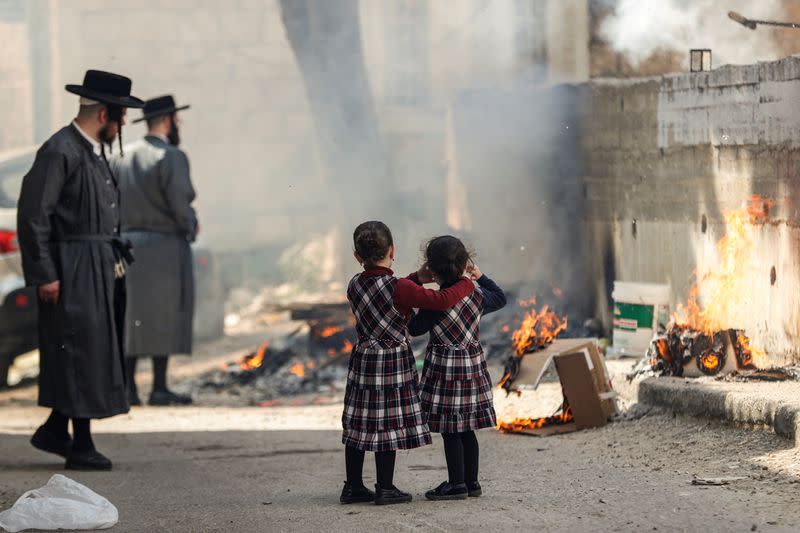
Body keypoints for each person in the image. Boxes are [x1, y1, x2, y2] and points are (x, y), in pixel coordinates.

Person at [17, 69, 144, 470]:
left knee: (91, 349)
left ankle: (57, 429)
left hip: (96, 266)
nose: (124, 123)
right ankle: (80, 444)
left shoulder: (90, 151)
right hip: (70, 268)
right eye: (121, 115)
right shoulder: (60, 151)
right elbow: (34, 216)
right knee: (78, 350)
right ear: (105, 113)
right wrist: (45, 273)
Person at [341, 221, 476, 506]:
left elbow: (382, 289)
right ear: (392, 249)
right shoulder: (400, 287)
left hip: (364, 360)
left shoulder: (354, 284)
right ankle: (385, 487)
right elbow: (440, 300)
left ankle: (353, 486)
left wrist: (416, 277)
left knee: (360, 423)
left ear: (357, 256)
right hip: (391, 364)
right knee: (385, 424)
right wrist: (465, 282)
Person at [110, 95, 197, 406]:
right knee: (165, 315)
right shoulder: (171, 156)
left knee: (132, 316)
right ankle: (159, 387)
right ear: (169, 120)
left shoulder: (121, 156)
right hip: (164, 246)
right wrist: (191, 227)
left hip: (128, 247)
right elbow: (179, 203)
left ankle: (128, 388)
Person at [409, 236, 507, 500]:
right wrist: (480, 275)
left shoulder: (436, 300)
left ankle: (456, 484)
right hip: (472, 369)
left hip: (445, 372)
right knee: (467, 428)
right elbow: (500, 298)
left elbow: (415, 329)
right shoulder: (476, 295)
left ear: (432, 268)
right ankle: (471, 482)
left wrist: (410, 302)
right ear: (465, 263)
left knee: (450, 429)